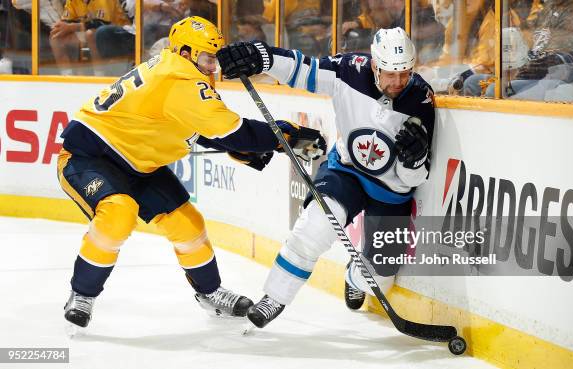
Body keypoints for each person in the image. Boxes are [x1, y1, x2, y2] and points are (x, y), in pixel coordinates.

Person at [58, 16, 326, 328]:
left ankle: (210, 293)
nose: (214, 66)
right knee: (118, 214)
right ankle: (82, 294)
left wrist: (240, 144)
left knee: (188, 225)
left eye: (214, 57)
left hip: (140, 163)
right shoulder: (180, 79)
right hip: (89, 157)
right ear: (186, 53)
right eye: (208, 58)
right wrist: (285, 133)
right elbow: (235, 131)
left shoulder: (177, 69)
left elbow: (197, 128)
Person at [217, 27, 435, 328]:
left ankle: (354, 277)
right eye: (389, 74)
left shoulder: (421, 100)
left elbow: (414, 178)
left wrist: (415, 159)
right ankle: (274, 298)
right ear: (374, 64)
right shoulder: (349, 71)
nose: (398, 82)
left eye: (405, 74)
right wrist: (261, 57)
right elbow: (303, 69)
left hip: (391, 190)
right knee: (315, 224)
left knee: (379, 279)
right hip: (345, 171)